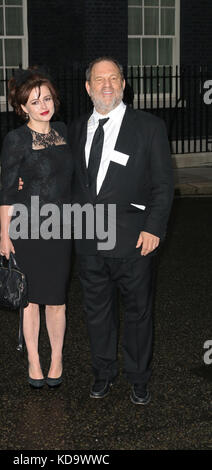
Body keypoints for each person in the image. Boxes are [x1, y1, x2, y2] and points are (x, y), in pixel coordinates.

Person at [68, 57, 174, 404]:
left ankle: (138, 377)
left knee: (138, 312)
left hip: (134, 241)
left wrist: (154, 228)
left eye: (114, 78)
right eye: (100, 79)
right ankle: (103, 373)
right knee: (97, 313)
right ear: (88, 87)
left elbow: (162, 185)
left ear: (124, 84)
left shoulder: (148, 127)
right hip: (88, 241)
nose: (107, 85)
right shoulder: (75, 128)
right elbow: (64, 181)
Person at [0, 68, 73, 389]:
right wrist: (5, 235)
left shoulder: (64, 131)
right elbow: (7, 192)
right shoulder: (16, 140)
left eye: (46, 98)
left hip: (62, 228)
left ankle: (56, 358)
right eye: (34, 101)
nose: (43, 105)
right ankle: (34, 359)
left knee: (56, 300)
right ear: (23, 108)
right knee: (30, 301)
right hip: (27, 228)